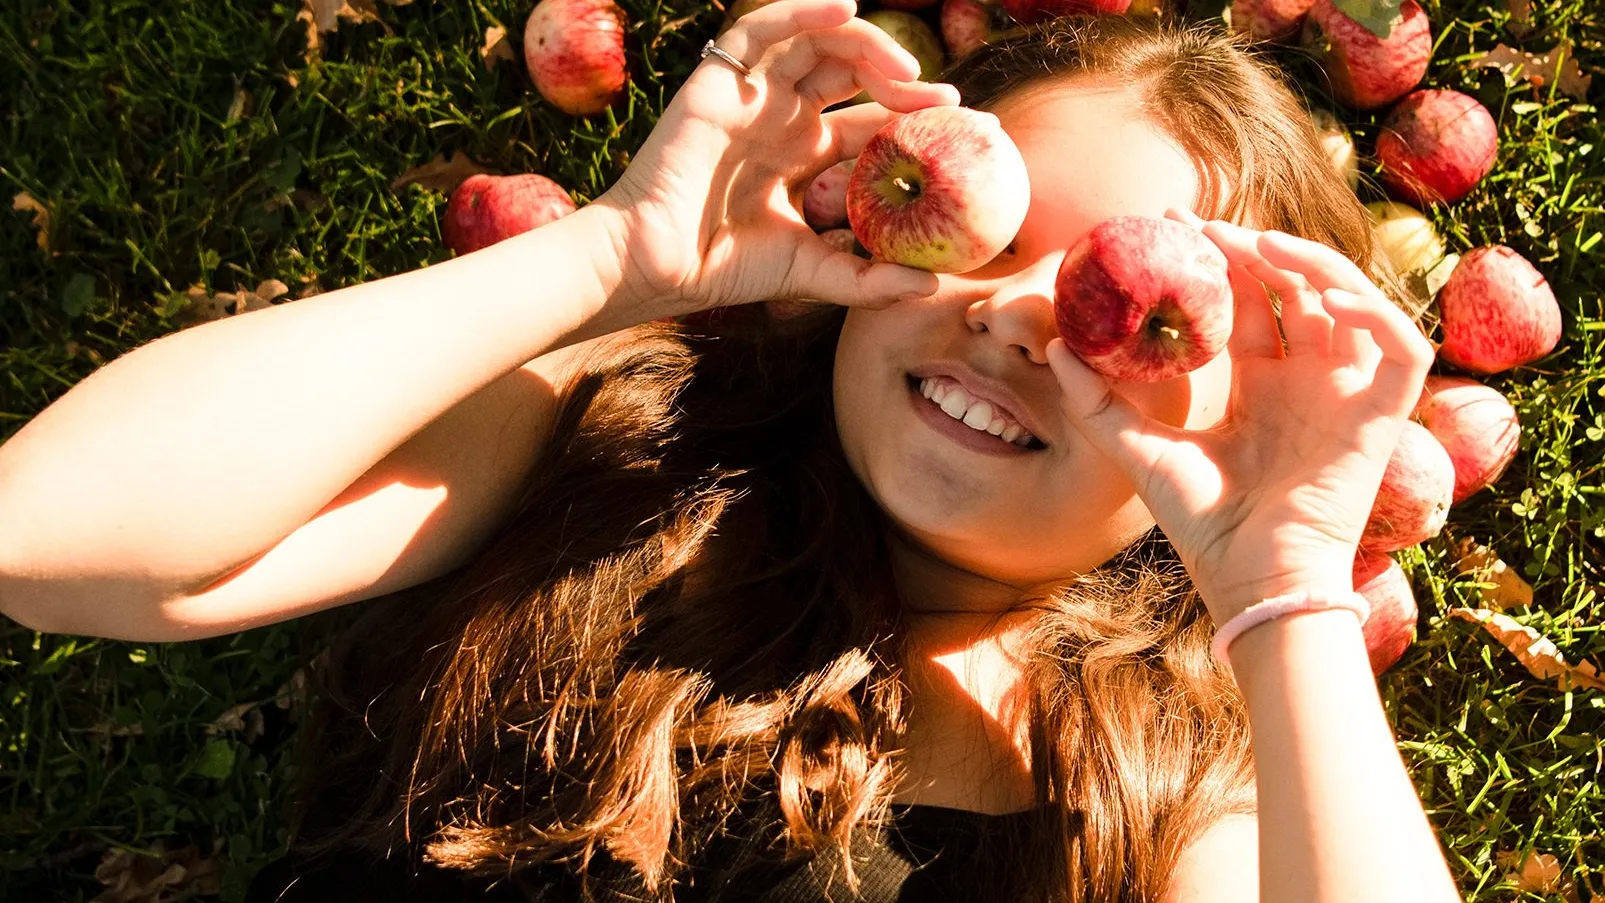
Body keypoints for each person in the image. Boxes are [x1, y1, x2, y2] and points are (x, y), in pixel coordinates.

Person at [0, 2, 1466, 900]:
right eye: (990, 235)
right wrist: (609, 262)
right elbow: (44, 533)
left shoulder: (1171, 789)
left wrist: (1282, 581)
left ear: (1221, 420)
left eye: (1115, 313)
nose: (1018, 317)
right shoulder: (621, 441)